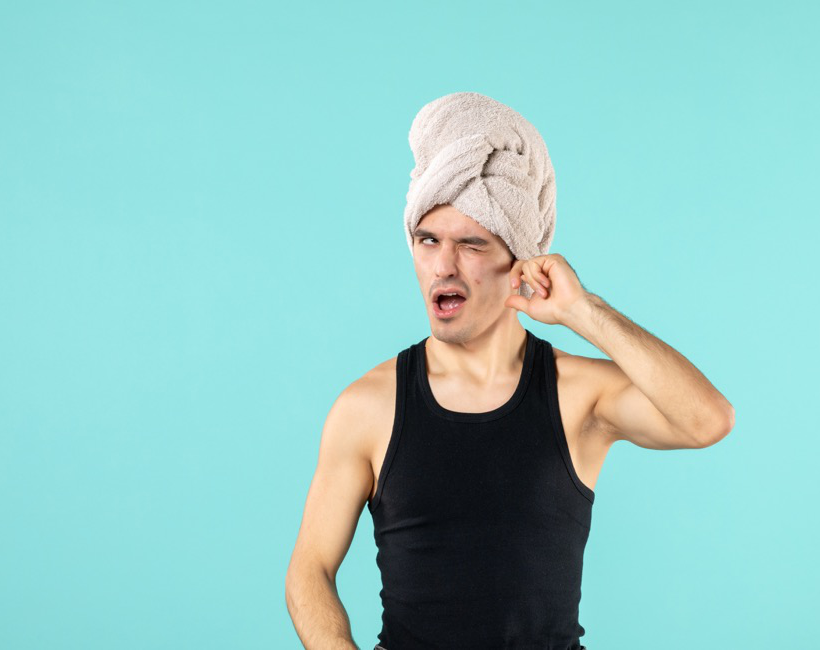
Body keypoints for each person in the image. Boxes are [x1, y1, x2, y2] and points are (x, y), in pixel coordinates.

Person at [285, 93, 735, 650]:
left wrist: (582, 311)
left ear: (519, 259)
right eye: (428, 241)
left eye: (471, 244)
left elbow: (707, 420)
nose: (442, 266)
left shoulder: (577, 395)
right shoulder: (368, 406)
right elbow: (310, 571)